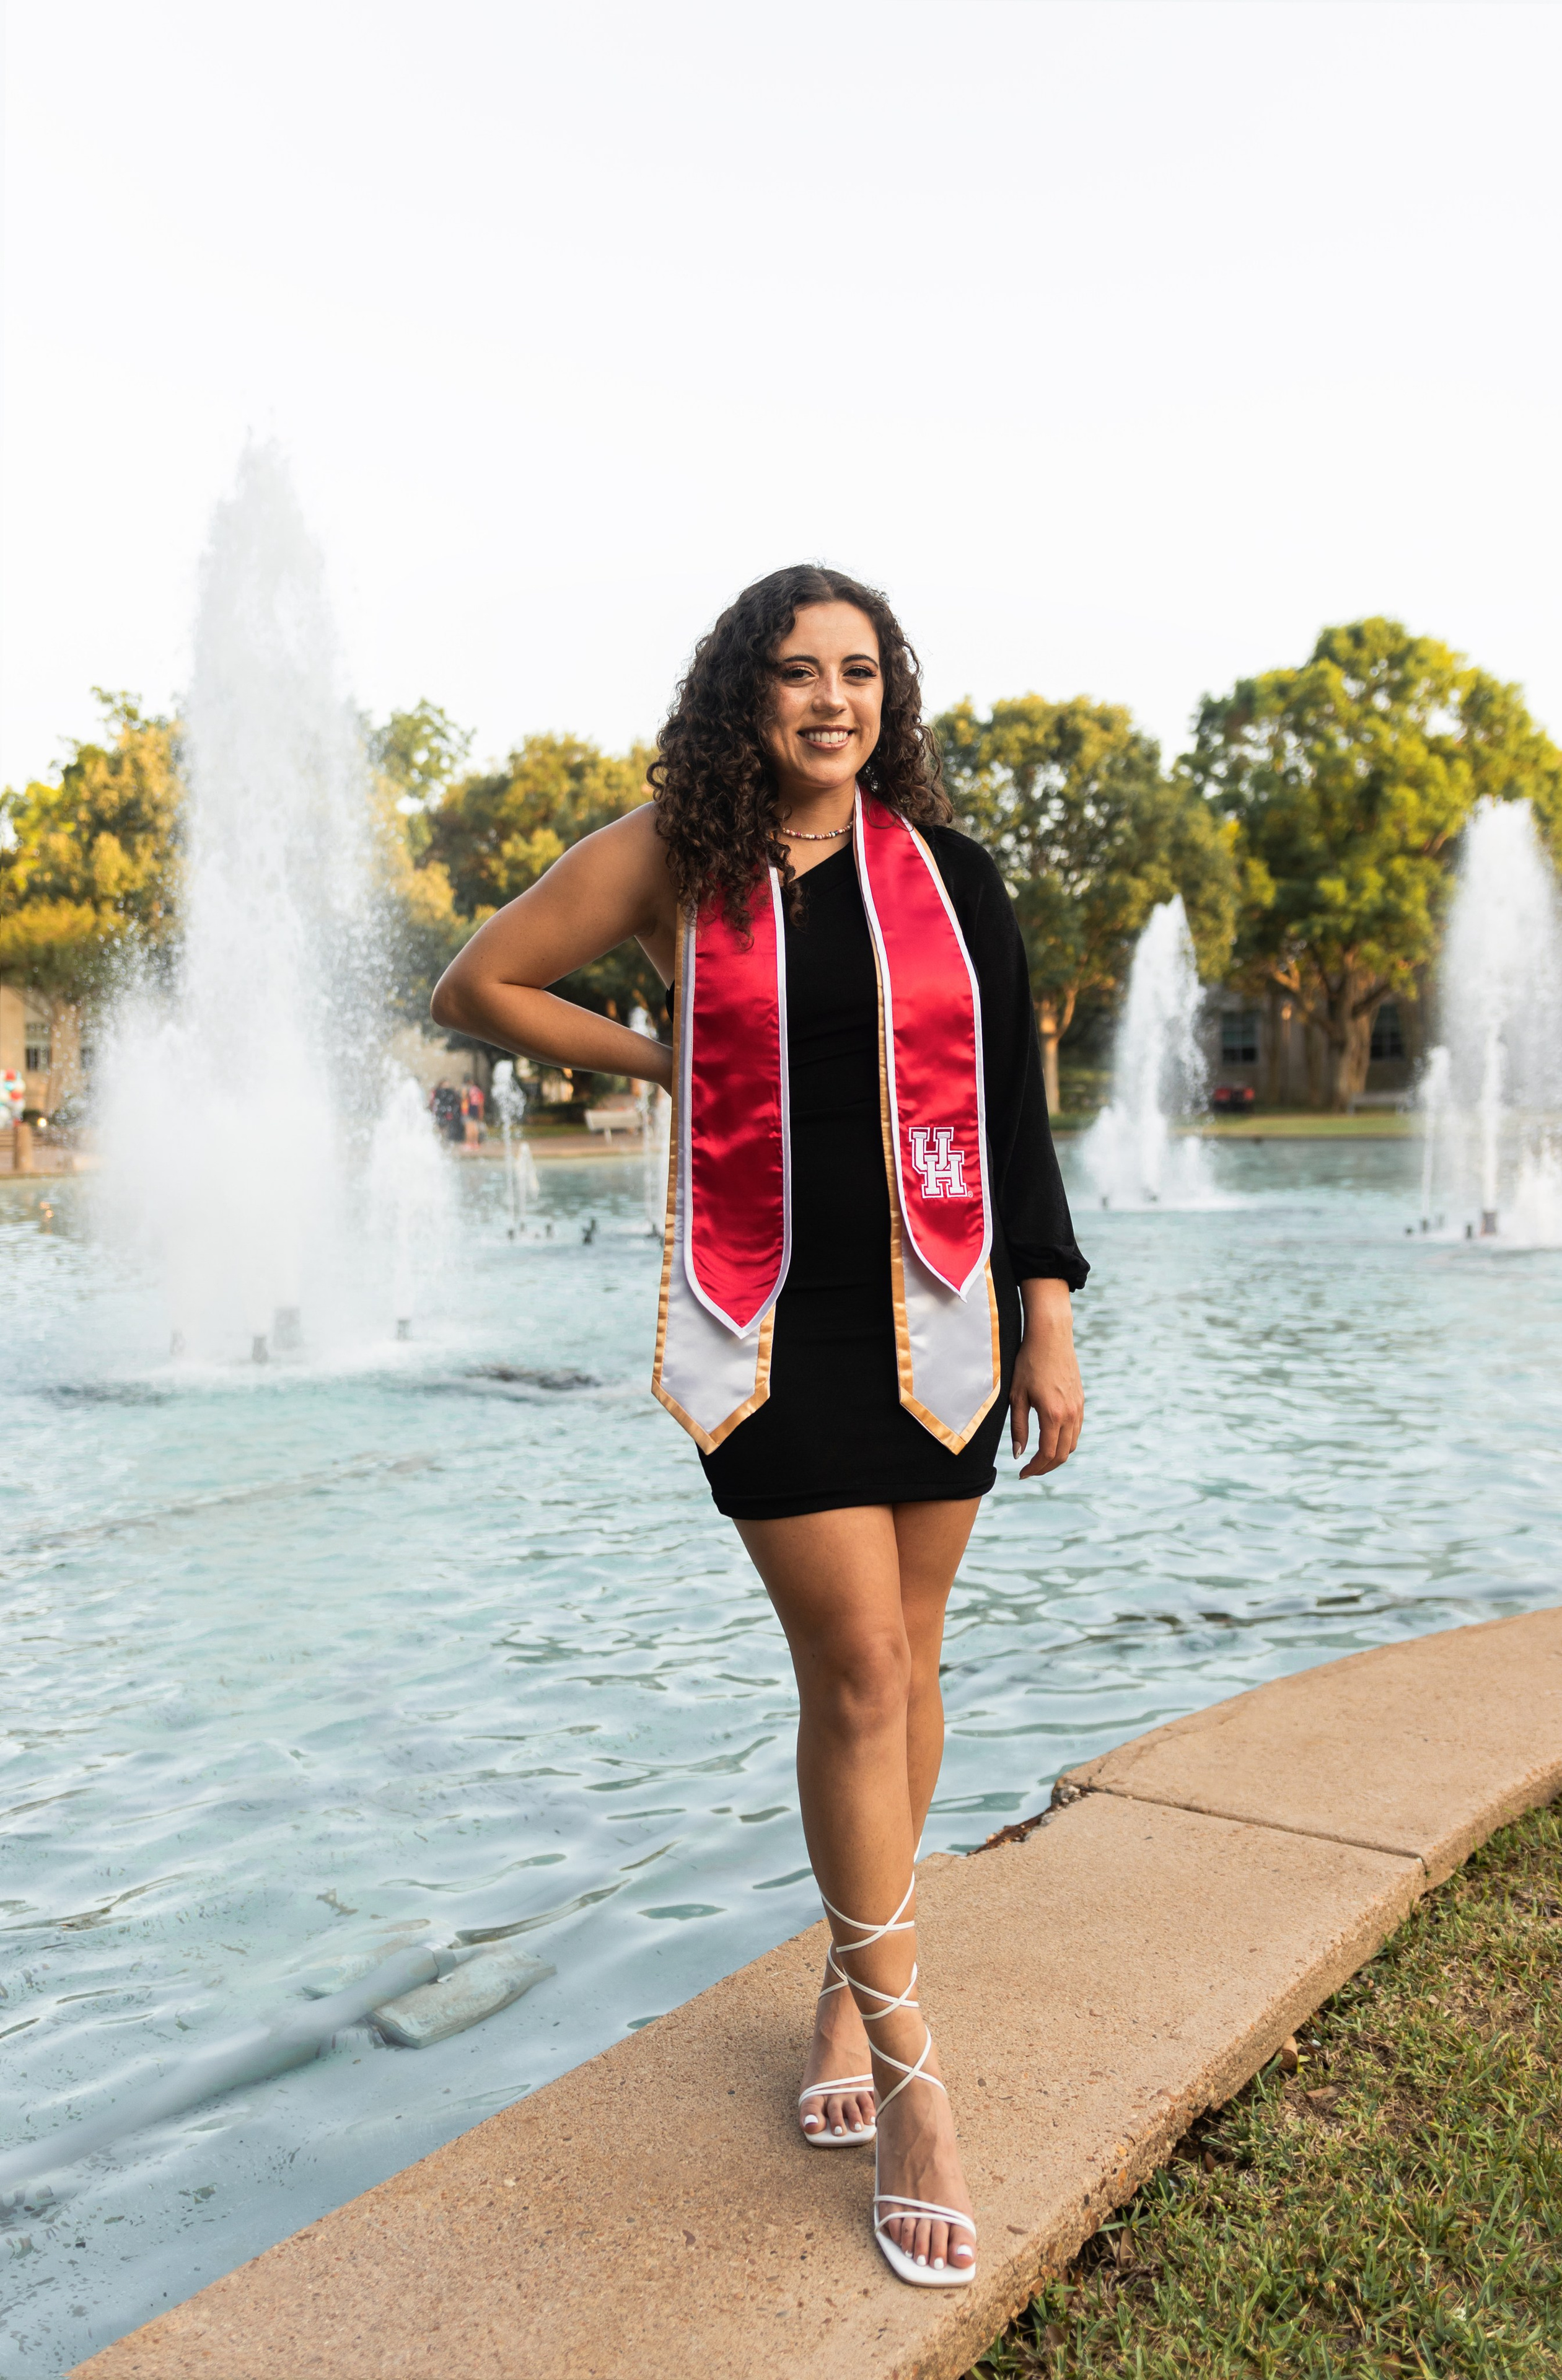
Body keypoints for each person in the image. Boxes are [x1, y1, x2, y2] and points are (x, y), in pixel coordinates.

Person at [432, 566, 1087, 2290]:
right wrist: (663, 1063)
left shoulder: (950, 874)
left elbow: (1015, 1114)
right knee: (860, 1668)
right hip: (771, 1315)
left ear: (893, 695)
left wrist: (1051, 1312)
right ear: (747, 690)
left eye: (859, 672)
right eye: (797, 671)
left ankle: (852, 1985)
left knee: (919, 1662)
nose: (830, 700)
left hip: (940, 1308)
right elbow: (479, 984)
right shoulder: (679, 858)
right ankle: (917, 2072)